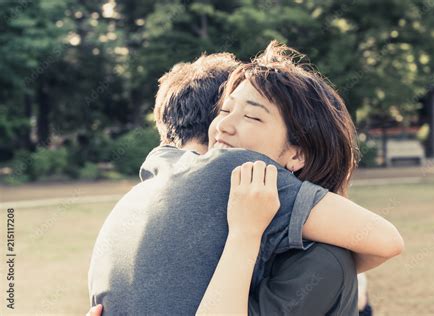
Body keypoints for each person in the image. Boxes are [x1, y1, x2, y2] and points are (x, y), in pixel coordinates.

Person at [88, 42, 403, 315]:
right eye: (224, 111)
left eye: (251, 116)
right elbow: (383, 241)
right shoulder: (226, 171)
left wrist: (251, 237)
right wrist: (247, 235)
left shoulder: (164, 175)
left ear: (297, 154)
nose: (223, 126)